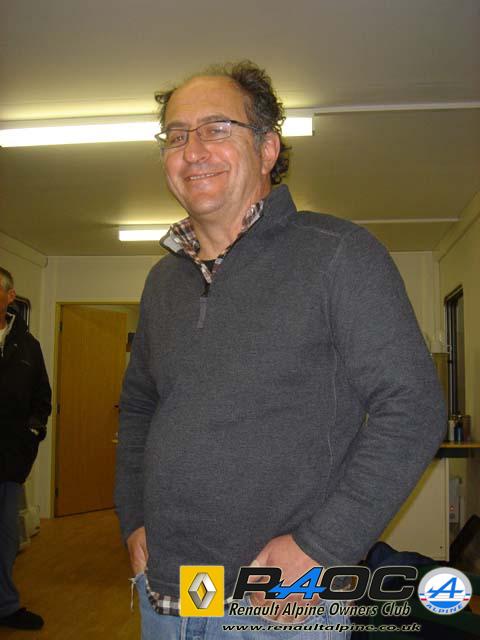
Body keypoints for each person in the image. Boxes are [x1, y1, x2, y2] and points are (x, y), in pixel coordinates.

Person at [115, 61, 446, 639]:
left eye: (217, 128)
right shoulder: (162, 281)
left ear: (267, 149)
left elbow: (412, 407)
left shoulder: (338, 254)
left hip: (280, 602)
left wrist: (323, 547)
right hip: (167, 590)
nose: (193, 150)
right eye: (177, 135)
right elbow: (141, 407)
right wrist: (133, 516)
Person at [0, 267, 51, 631]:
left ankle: (5, 606)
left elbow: (41, 400)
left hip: (8, 462)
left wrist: (30, 435)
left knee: (5, 539)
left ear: (9, 296)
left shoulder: (28, 346)